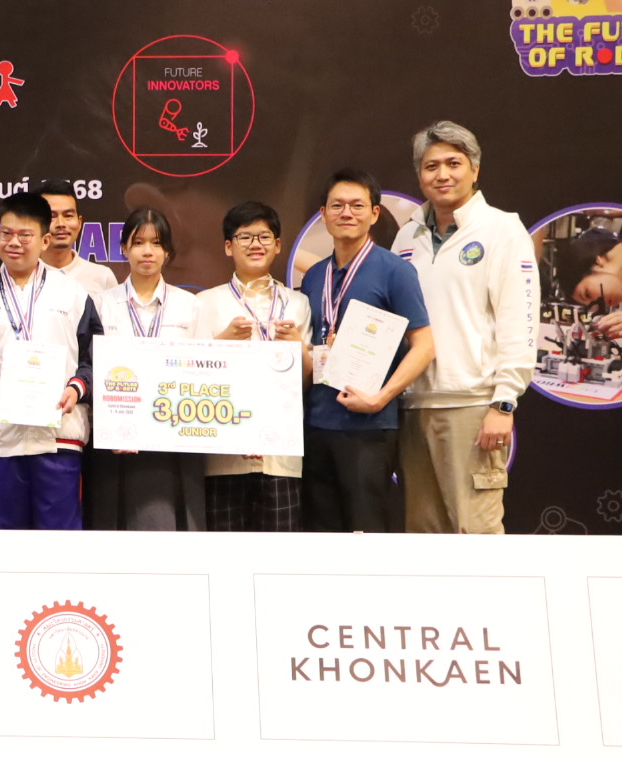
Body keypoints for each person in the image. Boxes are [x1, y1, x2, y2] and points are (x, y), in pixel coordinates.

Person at [391, 122, 538, 535]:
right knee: (423, 532)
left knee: (475, 533)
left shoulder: (502, 230)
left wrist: (504, 403)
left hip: (473, 407)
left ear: (475, 169)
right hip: (413, 407)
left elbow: (519, 320)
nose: (442, 174)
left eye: (453, 163)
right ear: (419, 175)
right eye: (431, 166)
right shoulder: (406, 237)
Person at [302, 170, 434, 533]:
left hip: (368, 428)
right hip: (315, 424)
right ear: (323, 213)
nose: (347, 213)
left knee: (367, 531)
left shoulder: (396, 272)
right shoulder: (314, 276)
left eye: (357, 205)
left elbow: (425, 346)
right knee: (320, 533)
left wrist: (381, 398)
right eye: (337, 205)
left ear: (374, 213)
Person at [0, 191, 101, 530]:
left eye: (25, 235)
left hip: (59, 436)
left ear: (44, 240)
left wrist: (77, 388)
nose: (14, 243)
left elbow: (95, 356)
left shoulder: (73, 294)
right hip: (0, 439)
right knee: (5, 544)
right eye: (6, 233)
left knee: (59, 542)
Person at [195, 202, 312, 531]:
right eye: (245, 237)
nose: (255, 244)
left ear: (278, 245)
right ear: (228, 247)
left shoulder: (298, 303)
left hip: (281, 455)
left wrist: (296, 346)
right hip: (223, 456)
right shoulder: (205, 303)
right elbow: (194, 378)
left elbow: (307, 381)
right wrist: (223, 341)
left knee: (278, 551)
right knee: (223, 551)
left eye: (264, 236)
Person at [91, 208, 205, 531]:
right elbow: (91, 368)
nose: (147, 251)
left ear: (167, 252)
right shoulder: (101, 304)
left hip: (175, 440)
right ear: (124, 248)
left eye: (156, 243)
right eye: (138, 242)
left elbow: (205, 374)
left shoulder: (190, 305)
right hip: (116, 441)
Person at [35, 179, 117, 299]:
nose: (61, 224)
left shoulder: (102, 277)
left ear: (79, 222)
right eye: (51, 216)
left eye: (68, 215)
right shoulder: (23, 276)